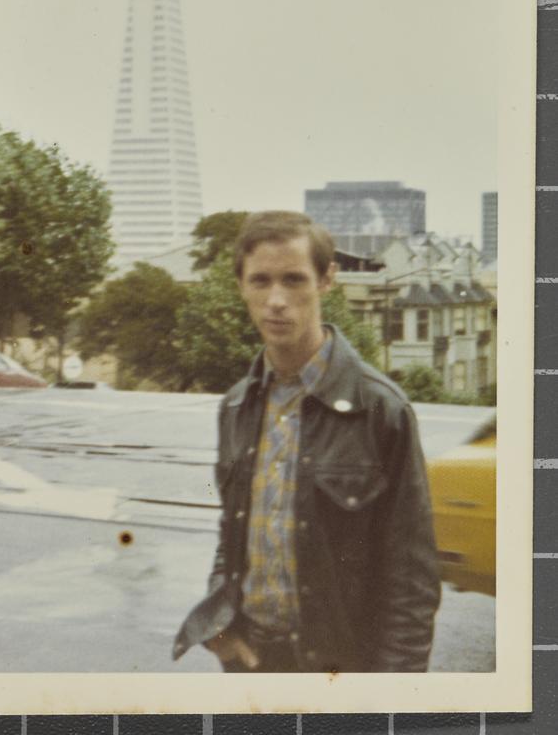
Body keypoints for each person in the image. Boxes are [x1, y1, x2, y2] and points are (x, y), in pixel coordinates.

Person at [173, 210, 441, 673]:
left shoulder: (381, 410)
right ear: (241, 285)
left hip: (340, 675)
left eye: (294, 280)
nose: (276, 300)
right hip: (251, 666)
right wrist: (220, 625)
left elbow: (412, 583)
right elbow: (234, 534)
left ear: (326, 280)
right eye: (261, 281)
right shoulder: (237, 406)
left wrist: (394, 701)